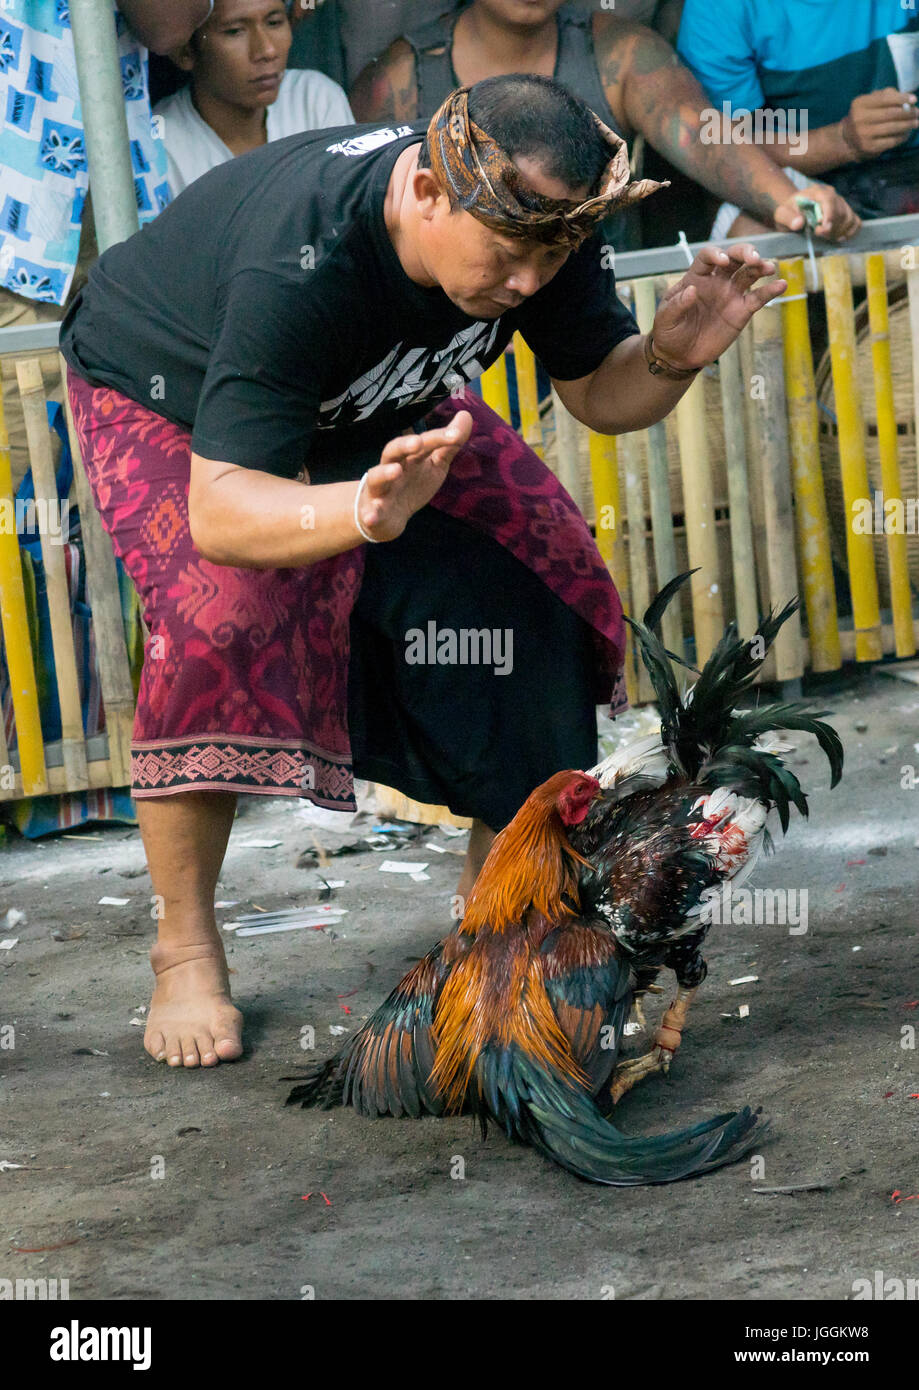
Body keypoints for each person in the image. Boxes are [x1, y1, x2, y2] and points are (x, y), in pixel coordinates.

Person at [61, 75, 785, 1071]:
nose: (529, 285)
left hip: (377, 401)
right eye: (510, 259)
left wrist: (665, 355)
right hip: (175, 393)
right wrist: (354, 511)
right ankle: (183, 945)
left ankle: (494, 939)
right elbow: (224, 511)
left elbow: (597, 393)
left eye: (551, 260)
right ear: (428, 194)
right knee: (220, 622)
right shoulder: (301, 262)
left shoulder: (543, 215)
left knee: (544, 579)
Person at [349, 0, 860, 248]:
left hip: (609, 333)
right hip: (460, 352)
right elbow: (365, 222)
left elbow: (702, 133)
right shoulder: (400, 80)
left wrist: (785, 199)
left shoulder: (620, 51)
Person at [0, 1, 205, 489]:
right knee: (24, 501)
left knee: (120, 486)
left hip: (109, 209)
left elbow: (170, 24)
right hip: (19, 235)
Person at [678, 0, 919, 236]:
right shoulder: (719, 9)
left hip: (909, 166)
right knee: (750, 236)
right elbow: (724, 148)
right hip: (799, 180)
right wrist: (842, 141)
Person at [155, 0, 353, 195]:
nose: (267, 50)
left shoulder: (315, 100)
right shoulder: (160, 144)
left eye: (274, 22)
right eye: (235, 31)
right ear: (185, 52)